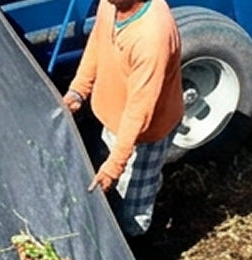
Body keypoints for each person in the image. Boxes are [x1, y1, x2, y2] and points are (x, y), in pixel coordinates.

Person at [63, 0, 183, 237]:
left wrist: (115, 165)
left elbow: (139, 112)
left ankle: (134, 247)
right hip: (113, 116)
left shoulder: (152, 37)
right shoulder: (111, 5)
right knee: (112, 173)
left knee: (134, 202)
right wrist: (79, 89)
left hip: (146, 133)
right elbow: (98, 42)